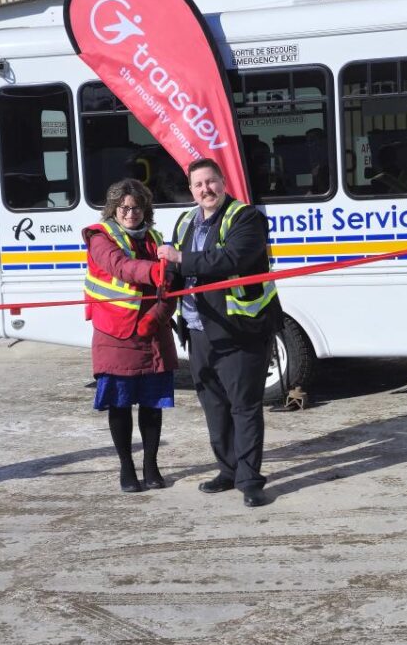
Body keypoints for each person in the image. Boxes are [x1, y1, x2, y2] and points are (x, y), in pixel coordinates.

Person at [156, 158, 282, 508]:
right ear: (191, 189)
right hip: (198, 330)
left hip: (240, 331)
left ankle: (250, 481)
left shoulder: (245, 217)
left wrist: (180, 258)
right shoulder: (185, 221)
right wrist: (161, 285)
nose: (205, 190)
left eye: (211, 182)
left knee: (244, 407)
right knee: (214, 407)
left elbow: (231, 260)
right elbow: (175, 272)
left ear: (223, 182)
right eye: (198, 185)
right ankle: (227, 471)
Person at [83, 179, 177, 493]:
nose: (130, 213)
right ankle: (127, 469)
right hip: (116, 334)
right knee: (120, 406)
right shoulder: (100, 237)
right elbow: (120, 266)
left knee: (152, 406)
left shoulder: (155, 237)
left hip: (152, 333)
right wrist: (155, 272)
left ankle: (151, 467)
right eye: (124, 207)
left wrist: (158, 315)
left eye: (137, 207)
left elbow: (171, 286)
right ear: (113, 209)